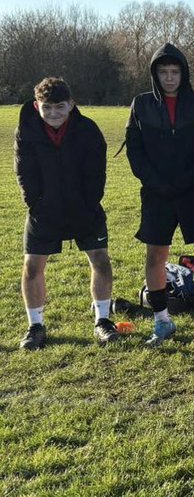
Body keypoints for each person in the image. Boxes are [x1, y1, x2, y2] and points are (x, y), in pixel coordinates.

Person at [126, 43, 194, 346]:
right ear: (155, 74)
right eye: (163, 72)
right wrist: (155, 182)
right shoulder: (141, 104)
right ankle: (162, 322)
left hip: (193, 190)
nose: (169, 78)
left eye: (175, 72)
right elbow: (135, 151)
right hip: (157, 193)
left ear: (184, 73)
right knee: (156, 256)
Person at [16, 78, 115, 349]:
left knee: (100, 259)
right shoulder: (27, 129)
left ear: (71, 104)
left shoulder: (88, 130)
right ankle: (35, 325)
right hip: (44, 209)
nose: (53, 113)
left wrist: (89, 204)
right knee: (32, 265)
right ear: (37, 106)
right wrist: (35, 203)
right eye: (47, 107)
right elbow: (24, 170)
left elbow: (97, 173)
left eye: (60, 106)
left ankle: (103, 320)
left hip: (84, 208)